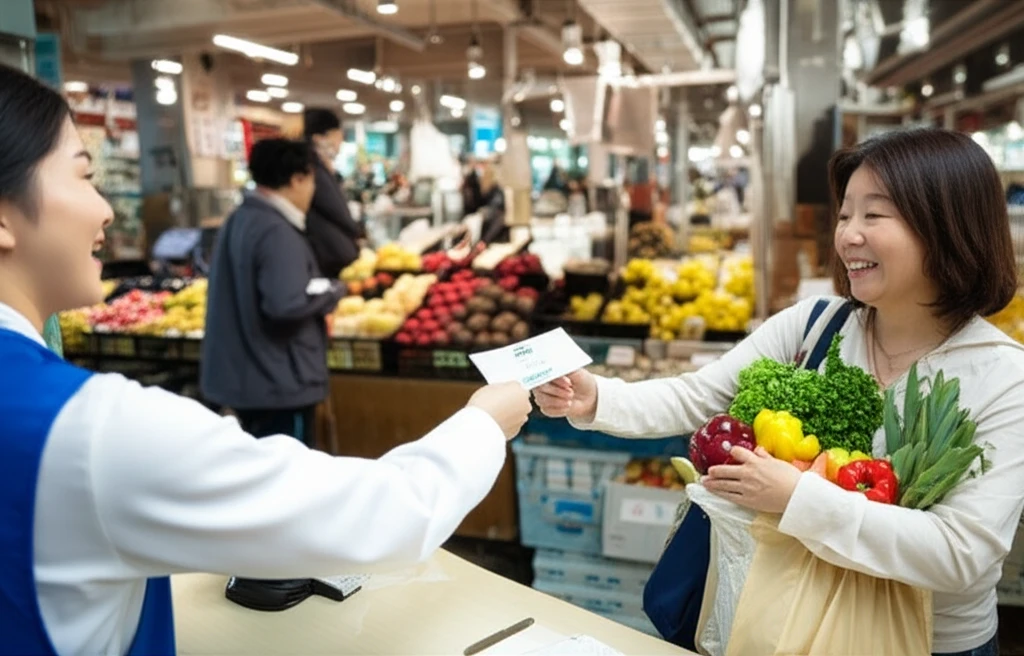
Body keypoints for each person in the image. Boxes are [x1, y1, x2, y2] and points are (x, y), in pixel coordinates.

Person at [0, 64, 532, 656]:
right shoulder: (94, 433)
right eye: (83, 175)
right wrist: (486, 421)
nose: (105, 211)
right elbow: (384, 514)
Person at [534, 128, 1023, 656]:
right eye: (844, 215)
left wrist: (796, 498)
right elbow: (697, 396)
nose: (848, 236)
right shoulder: (815, 326)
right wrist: (596, 398)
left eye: (874, 215)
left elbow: (960, 553)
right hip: (796, 623)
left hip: (932, 643)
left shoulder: (1002, 378)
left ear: (948, 226)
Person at [201, 138, 336, 447]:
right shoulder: (276, 231)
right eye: (312, 180)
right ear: (297, 179)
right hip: (279, 385)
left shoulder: (240, 218)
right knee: (291, 479)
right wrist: (332, 293)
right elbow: (285, 305)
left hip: (244, 381)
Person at [303, 107, 362, 278]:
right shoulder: (314, 168)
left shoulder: (320, 166)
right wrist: (355, 230)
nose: (340, 143)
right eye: (338, 136)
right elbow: (336, 209)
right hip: (328, 258)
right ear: (321, 137)